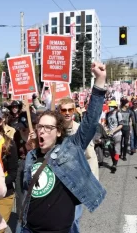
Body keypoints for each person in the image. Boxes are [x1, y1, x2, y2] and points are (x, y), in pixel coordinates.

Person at [16, 62, 107, 233]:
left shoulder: (69, 148)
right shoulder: (31, 156)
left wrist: (100, 81)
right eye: (39, 127)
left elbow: (91, 120)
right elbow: (27, 191)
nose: (42, 130)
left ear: (58, 132)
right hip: (29, 228)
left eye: (48, 128)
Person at [58, 97, 100, 233]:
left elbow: (91, 157)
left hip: (76, 182)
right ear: (59, 111)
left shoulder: (80, 131)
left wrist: (92, 182)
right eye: (63, 110)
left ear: (75, 111)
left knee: (73, 219)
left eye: (70, 109)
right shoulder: (55, 131)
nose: (67, 113)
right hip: (58, 182)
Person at [105, 100, 123, 172]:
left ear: (115, 107)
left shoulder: (118, 114)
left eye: (112, 106)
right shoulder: (107, 114)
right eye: (109, 106)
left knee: (116, 149)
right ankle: (113, 163)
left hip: (117, 135)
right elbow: (106, 125)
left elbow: (121, 125)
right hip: (109, 135)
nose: (110, 108)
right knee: (110, 150)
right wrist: (106, 130)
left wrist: (113, 131)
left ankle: (114, 165)